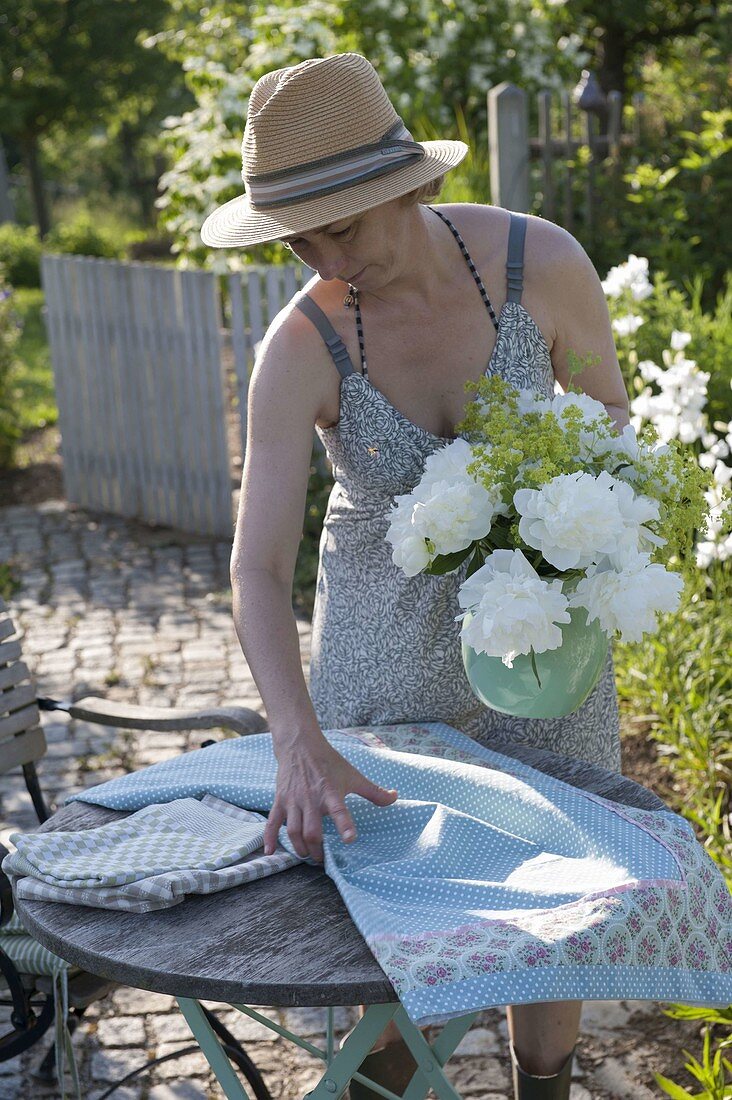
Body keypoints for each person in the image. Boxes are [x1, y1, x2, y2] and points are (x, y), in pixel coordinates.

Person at [201, 52, 630, 1100]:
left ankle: (547, 1087)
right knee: (392, 966)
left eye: (341, 224)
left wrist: (572, 536)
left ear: (414, 182)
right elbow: (256, 566)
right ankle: (380, 1084)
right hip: (382, 682)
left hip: (544, 654)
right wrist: (298, 741)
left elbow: (617, 433)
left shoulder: (544, 265)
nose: (321, 253)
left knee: (557, 901)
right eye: (299, 233)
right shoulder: (298, 343)